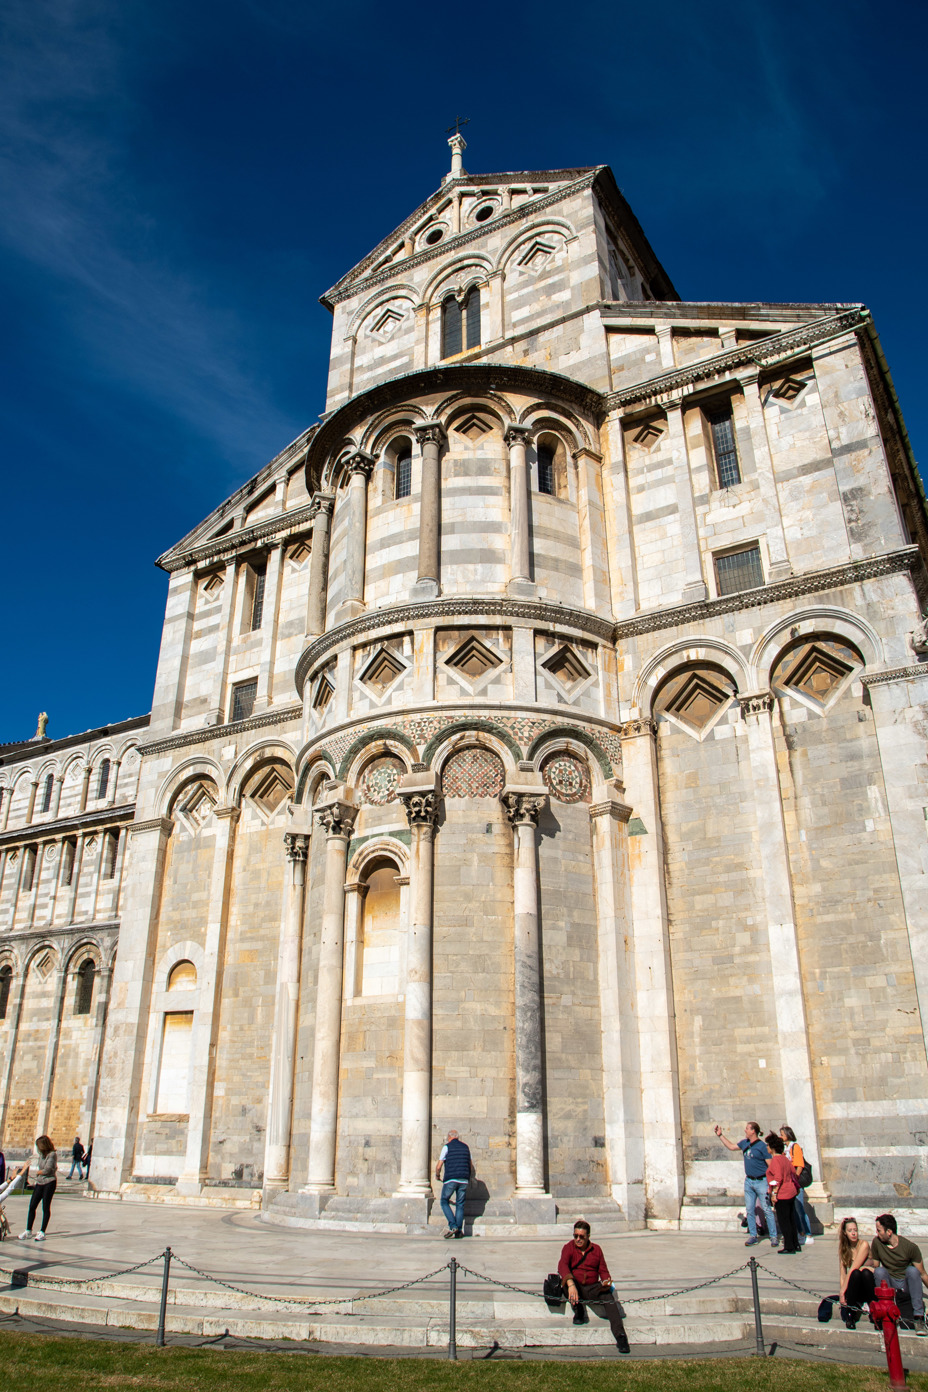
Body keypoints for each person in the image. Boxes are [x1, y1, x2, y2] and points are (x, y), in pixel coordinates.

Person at [557, 1219, 630, 1354]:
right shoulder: (569, 1247)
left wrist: (606, 1282)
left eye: (581, 1237)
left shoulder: (596, 1250)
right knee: (567, 1284)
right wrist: (571, 1283)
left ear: (588, 1237)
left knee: (608, 1298)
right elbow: (562, 1266)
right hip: (576, 1285)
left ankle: (620, 1336)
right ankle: (578, 1310)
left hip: (592, 1286)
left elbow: (603, 1270)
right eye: (575, 1236)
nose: (578, 1239)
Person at [714, 1121, 778, 1248]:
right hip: (749, 1181)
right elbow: (732, 1147)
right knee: (749, 1209)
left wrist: (773, 1186)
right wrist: (720, 1135)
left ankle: (774, 1236)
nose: (745, 1130)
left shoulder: (762, 1147)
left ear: (753, 1131)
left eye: (747, 1128)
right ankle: (753, 1235)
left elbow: (771, 1167)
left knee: (766, 1209)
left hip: (762, 1181)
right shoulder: (745, 1143)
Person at [867, 1213, 928, 1334]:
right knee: (879, 1271)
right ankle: (886, 1312)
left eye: (879, 1231)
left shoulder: (910, 1247)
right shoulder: (877, 1243)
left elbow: (922, 1274)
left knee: (913, 1270)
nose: (877, 1234)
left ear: (889, 1232)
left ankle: (919, 1318)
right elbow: (876, 1266)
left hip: (906, 1284)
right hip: (890, 1283)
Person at [764, 1133, 800, 1255]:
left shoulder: (776, 1160)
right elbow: (793, 1172)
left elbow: (777, 1177)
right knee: (791, 1219)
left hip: (783, 1194)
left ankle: (789, 1246)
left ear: (772, 1147)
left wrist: (774, 1193)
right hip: (791, 1192)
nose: (767, 1148)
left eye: (768, 1145)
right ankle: (795, 1244)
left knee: (784, 1221)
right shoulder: (785, 1158)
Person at [838, 1216, 876, 1329]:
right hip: (855, 1286)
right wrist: (843, 1293)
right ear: (845, 1233)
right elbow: (843, 1273)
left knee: (861, 1272)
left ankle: (874, 1310)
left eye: (855, 1230)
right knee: (855, 1274)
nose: (853, 1233)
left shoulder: (863, 1245)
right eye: (850, 1231)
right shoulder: (844, 1248)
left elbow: (854, 1268)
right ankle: (850, 1314)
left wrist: (841, 1292)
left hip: (868, 1286)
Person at [19, 1135, 58, 1243]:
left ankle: (42, 1232)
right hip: (40, 1182)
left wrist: (39, 1172)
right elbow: (44, 1168)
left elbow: (47, 1170)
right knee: (32, 1206)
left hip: (49, 1183)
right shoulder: (42, 1155)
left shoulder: (52, 1155)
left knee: (45, 1207)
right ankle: (28, 1230)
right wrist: (41, 1172)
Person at [435, 1130, 472, 1239]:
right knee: (460, 1204)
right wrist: (468, 1177)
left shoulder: (447, 1147)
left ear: (449, 1137)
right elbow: (470, 1164)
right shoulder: (466, 1147)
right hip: (464, 1179)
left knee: (444, 1201)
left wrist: (437, 1175)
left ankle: (453, 1226)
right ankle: (459, 1231)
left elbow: (439, 1165)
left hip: (451, 1179)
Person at [780, 1125, 813, 1246]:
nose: (781, 1136)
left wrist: (796, 1181)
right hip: (789, 1182)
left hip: (795, 1183)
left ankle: (808, 1233)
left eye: (782, 1134)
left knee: (799, 1209)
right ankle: (800, 1233)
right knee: (793, 1209)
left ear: (788, 1135)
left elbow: (799, 1165)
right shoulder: (786, 1149)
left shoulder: (795, 1147)